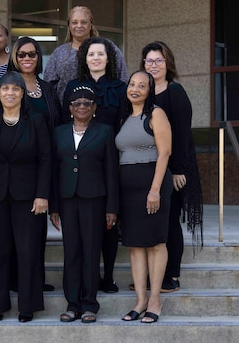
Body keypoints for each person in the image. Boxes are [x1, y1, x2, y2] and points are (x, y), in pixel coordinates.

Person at [0, 71, 52, 323]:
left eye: (15, 89)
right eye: (5, 89)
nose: (10, 93)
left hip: (28, 197)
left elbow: (46, 159)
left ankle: (27, 305)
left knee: (27, 251)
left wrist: (42, 195)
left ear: (22, 94)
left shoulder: (36, 120)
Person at [0, 36, 62, 292]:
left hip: (45, 162)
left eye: (32, 54)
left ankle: (33, 281)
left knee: (34, 229)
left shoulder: (48, 89)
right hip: (17, 167)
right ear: (14, 59)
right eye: (21, 55)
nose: (27, 58)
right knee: (12, 232)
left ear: (38, 58)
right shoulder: (7, 87)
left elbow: (59, 123)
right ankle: (13, 281)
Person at [62, 36, 126, 293]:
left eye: (101, 54)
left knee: (109, 222)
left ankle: (107, 276)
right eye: (91, 54)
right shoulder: (74, 86)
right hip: (83, 159)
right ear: (84, 58)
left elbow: (124, 121)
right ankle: (83, 280)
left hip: (113, 158)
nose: (96, 58)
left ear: (108, 58)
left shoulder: (121, 87)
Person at [51, 86, 119, 324]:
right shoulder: (58, 133)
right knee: (72, 252)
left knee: (91, 252)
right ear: (70, 108)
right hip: (67, 199)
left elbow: (111, 172)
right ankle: (72, 304)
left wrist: (112, 207)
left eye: (87, 103)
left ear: (94, 107)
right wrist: (54, 206)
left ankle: (90, 304)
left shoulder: (105, 132)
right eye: (77, 103)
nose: (82, 107)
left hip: (95, 200)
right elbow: (54, 171)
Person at [140, 41, 203, 292]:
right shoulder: (142, 92)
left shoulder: (175, 92)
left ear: (168, 64)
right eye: (149, 61)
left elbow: (182, 135)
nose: (153, 65)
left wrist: (178, 169)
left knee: (169, 221)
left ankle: (171, 275)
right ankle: (153, 276)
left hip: (173, 168)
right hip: (147, 167)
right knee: (153, 223)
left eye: (159, 61)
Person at [116, 70, 172, 323]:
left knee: (155, 243)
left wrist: (155, 190)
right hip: (127, 189)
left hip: (152, 184)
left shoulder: (156, 114)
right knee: (135, 244)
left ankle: (155, 300)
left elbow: (164, 153)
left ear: (150, 91)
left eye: (142, 85)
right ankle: (140, 300)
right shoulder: (125, 117)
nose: (135, 89)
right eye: (132, 84)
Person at [43, 5, 128, 104]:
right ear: (69, 26)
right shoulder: (59, 53)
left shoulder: (108, 47)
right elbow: (49, 86)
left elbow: (123, 77)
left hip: (106, 109)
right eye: (74, 22)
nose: (79, 26)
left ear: (91, 24)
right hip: (66, 112)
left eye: (84, 22)